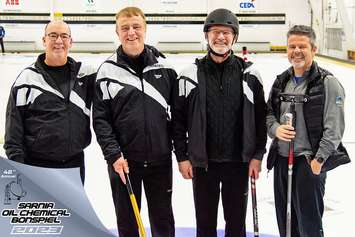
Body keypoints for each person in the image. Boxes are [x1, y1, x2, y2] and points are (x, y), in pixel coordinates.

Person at [172, 8, 267, 237]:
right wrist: (183, 157)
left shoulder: (250, 74)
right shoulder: (189, 74)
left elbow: (260, 119)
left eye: (226, 32)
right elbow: (178, 121)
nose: (220, 37)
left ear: (235, 37)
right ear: (206, 35)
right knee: (205, 224)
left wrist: (257, 155)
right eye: (215, 32)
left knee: (236, 225)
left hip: (239, 163)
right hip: (204, 165)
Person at [93, 7, 176, 237]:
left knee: (163, 220)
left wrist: (182, 154)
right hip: (124, 163)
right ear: (117, 32)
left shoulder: (165, 67)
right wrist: (113, 155)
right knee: (128, 223)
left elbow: (179, 116)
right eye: (125, 28)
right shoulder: (107, 71)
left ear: (145, 29)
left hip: (160, 161)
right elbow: (101, 120)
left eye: (136, 27)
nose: (131, 33)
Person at [266, 25, 350, 237]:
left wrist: (319, 160)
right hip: (282, 160)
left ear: (313, 49)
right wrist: (276, 129)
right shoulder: (281, 81)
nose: (296, 51)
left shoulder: (328, 83)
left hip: (309, 161)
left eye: (302, 46)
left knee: (309, 224)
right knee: (285, 222)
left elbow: (335, 127)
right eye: (292, 46)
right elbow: (268, 114)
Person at [4, 20, 96, 184]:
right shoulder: (27, 79)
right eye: (53, 36)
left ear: (71, 41)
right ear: (44, 40)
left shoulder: (85, 76)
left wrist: (148, 54)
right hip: (37, 166)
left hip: (74, 164)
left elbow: (117, 75)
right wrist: (19, 170)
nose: (59, 41)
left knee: (72, 210)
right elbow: (13, 131)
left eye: (64, 36)